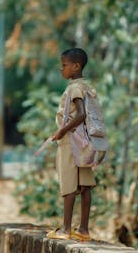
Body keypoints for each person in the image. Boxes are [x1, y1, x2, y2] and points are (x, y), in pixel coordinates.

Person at [47, 48, 97, 241]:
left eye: (64, 65)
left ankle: (66, 230)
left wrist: (61, 131)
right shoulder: (88, 86)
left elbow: (81, 113)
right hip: (85, 142)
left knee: (69, 185)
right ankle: (84, 230)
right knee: (85, 185)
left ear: (76, 66)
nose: (62, 69)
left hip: (71, 142)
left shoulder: (74, 88)